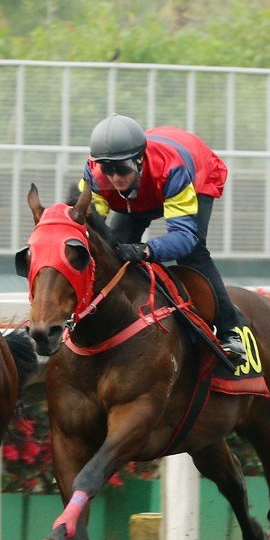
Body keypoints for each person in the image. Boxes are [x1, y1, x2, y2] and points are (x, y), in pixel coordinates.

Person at [78, 113, 245, 364]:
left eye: (121, 168)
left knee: (192, 253)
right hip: (141, 192)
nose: (115, 177)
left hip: (194, 175)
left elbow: (184, 236)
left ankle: (231, 330)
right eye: (108, 169)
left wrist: (146, 250)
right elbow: (88, 228)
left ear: (139, 159)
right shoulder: (94, 173)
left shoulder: (171, 169)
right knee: (112, 254)